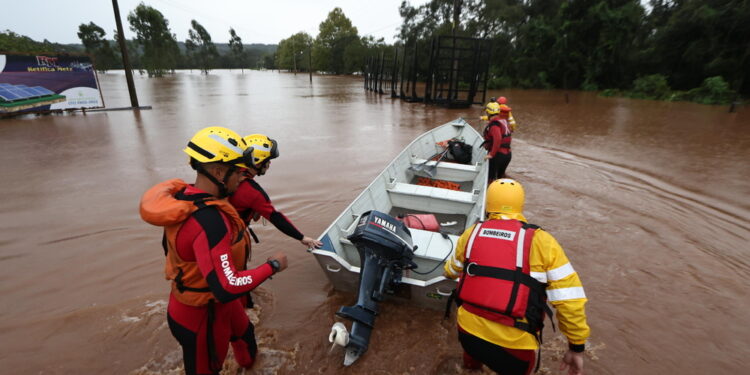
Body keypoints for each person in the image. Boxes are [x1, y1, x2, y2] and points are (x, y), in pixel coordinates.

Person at [140, 126, 288, 375]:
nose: (243, 178)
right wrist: (272, 266)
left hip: (219, 306)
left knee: (247, 345)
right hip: (201, 317)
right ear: (219, 171)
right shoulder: (209, 221)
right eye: (239, 172)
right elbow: (227, 285)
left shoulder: (187, 198)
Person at [444, 179, 590, 375]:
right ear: (521, 204)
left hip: (469, 333)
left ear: (489, 203)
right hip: (514, 346)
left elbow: (450, 271)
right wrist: (576, 346)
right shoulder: (542, 241)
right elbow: (569, 300)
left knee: (471, 368)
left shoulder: (471, 234)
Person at [228, 133, 323, 250]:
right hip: (231, 240)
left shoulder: (227, 175)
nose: (269, 164)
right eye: (267, 160)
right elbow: (275, 217)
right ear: (257, 162)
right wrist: (302, 238)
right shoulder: (253, 191)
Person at [482, 102, 513, 182]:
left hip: (498, 155)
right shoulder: (504, 121)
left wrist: (491, 154)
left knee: (490, 180)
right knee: (500, 179)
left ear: (488, 113)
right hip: (507, 154)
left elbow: (498, 139)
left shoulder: (494, 125)